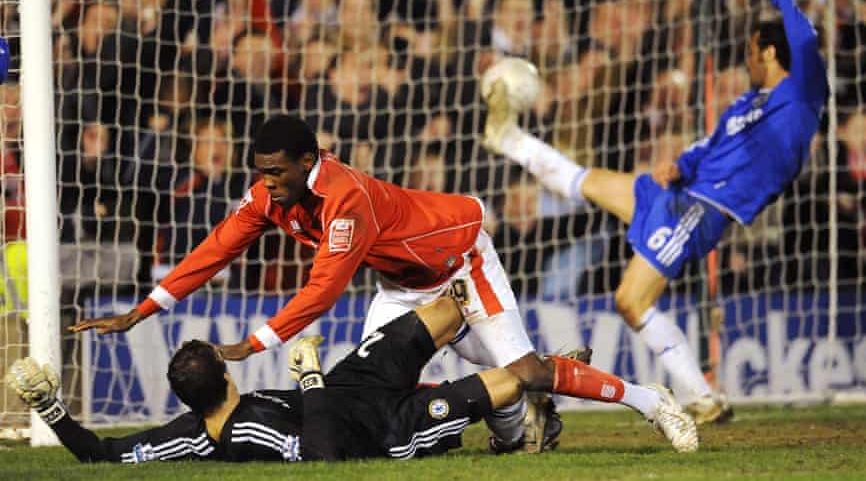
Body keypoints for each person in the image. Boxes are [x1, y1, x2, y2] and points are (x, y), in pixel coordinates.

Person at [73, 114, 651, 453]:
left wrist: (252, 346)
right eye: (260, 172)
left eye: (276, 172)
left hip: (459, 261)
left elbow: (323, 289)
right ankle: (528, 409)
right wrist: (141, 310)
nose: (266, 184)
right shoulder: (269, 195)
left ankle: (554, 402)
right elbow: (215, 250)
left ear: (309, 162)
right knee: (377, 391)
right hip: (403, 286)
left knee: (516, 369)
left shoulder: (345, 200)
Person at [481, 0, 828, 424]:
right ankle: (509, 138)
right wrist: (678, 165)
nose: (747, 60)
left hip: (704, 209)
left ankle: (700, 398)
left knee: (630, 300)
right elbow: (707, 147)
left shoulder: (801, 95)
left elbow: (806, 42)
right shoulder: (745, 105)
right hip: (680, 192)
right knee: (588, 183)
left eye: (752, 52)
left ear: (768, 50)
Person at [8, 296, 698, 463]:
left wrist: (50, 405)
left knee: (446, 304)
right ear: (221, 371)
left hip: (352, 384)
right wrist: (306, 377)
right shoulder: (244, 431)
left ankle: (524, 395)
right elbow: (324, 452)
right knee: (512, 378)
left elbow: (104, 456)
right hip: (384, 429)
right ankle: (524, 429)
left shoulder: (185, 434)